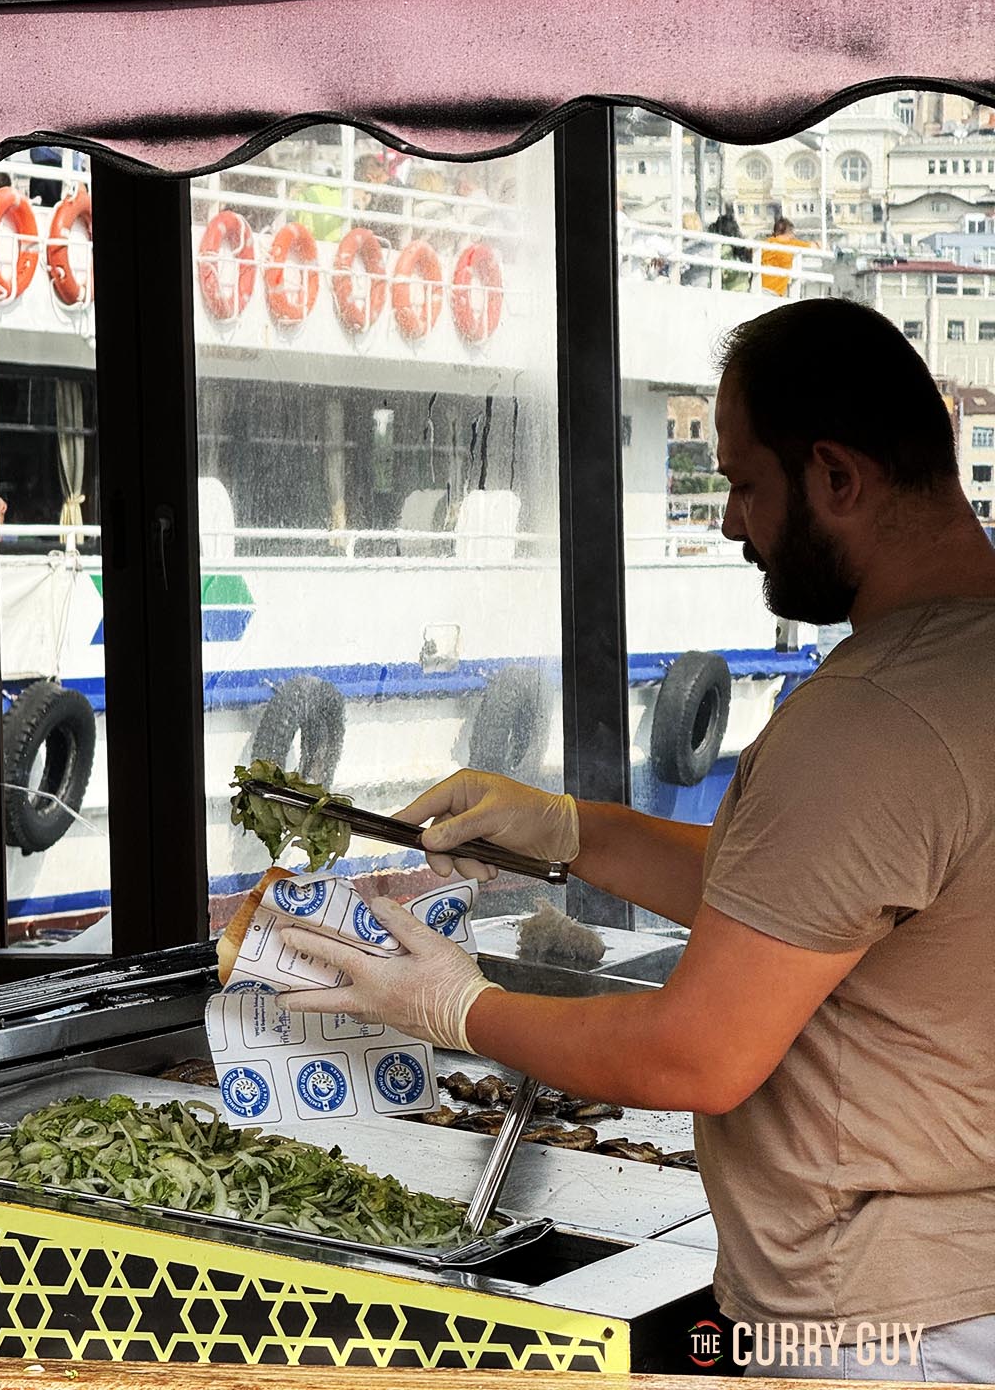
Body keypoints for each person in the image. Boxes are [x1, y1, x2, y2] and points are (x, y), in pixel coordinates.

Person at [276, 298, 995, 1382]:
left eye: (746, 483)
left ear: (838, 478)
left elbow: (697, 1052)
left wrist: (455, 1006)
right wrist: (567, 831)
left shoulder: (872, 719)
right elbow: (803, 905)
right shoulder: (967, 672)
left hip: (884, 1327)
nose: (729, 525)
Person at [760, 214, 813, 297]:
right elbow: (813, 246)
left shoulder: (768, 242)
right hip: (774, 292)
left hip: (759, 286)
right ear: (789, 232)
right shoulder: (791, 244)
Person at [709, 205, 751, 292]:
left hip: (729, 292)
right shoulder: (742, 248)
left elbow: (727, 274)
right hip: (744, 290)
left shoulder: (724, 248)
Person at [679, 211, 715, 288]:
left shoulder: (692, 247)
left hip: (694, 285)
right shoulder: (708, 244)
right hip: (703, 283)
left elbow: (681, 266)